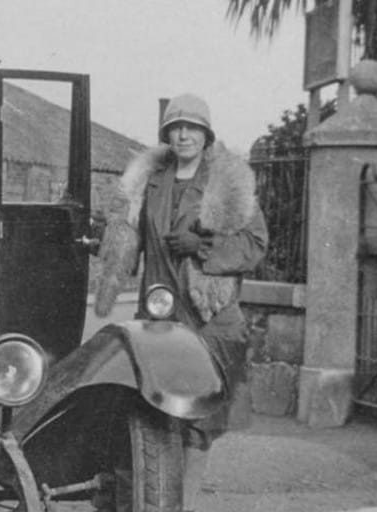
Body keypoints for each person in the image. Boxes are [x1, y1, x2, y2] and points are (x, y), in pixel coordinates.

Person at [95, 93, 268, 511]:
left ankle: (183, 505)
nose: (184, 135)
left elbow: (255, 244)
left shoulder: (228, 184)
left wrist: (203, 247)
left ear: (206, 135)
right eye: (176, 127)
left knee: (200, 420)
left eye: (193, 128)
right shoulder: (148, 182)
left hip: (208, 317)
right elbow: (126, 236)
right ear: (166, 134)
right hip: (158, 315)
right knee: (148, 412)